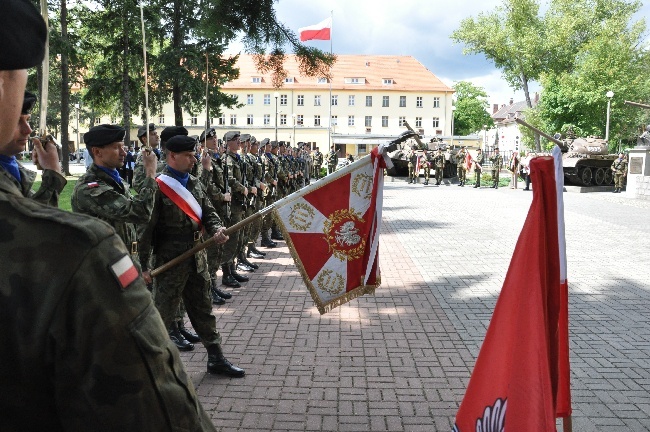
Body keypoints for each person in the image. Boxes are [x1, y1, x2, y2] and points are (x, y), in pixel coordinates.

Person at [0, 1, 218, 429]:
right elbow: (135, 214)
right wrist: (147, 175)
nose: (125, 151)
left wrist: (50, 178)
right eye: (117, 148)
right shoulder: (86, 225)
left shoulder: (105, 182)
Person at [138, 135, 244, 377]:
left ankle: (216, 357)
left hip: (197, 259)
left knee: (203, 309)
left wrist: (217, 228)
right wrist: (144, 266)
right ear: (172, 156)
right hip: (170, 260)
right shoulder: (157, 185)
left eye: (193, 154)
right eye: (188, 155)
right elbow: (146, 230)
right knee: (162, 314)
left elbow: (209, 211)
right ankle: (152, 369)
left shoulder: (195, 182)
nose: (194, 158)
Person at [71, 124, 158, 270]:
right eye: (117, 147)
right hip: (104, 270)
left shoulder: (114, 180)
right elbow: (140, 213)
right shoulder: (89, 188)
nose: (123, 152)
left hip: (124, 263)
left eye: (123, 147)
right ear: (97, 152)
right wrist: (150, 174)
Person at [0, 91, 66, 205]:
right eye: (16, 122)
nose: (28, 130)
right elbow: (29, 221)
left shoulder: (11, 166)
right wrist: (53, 172)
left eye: (27, 120)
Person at [133, 122, 163, 192]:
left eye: (156, 133)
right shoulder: (144, 156)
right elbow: (137, 184)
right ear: (144, 139)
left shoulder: (156, 153)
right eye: (153, 134)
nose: (157, 136)